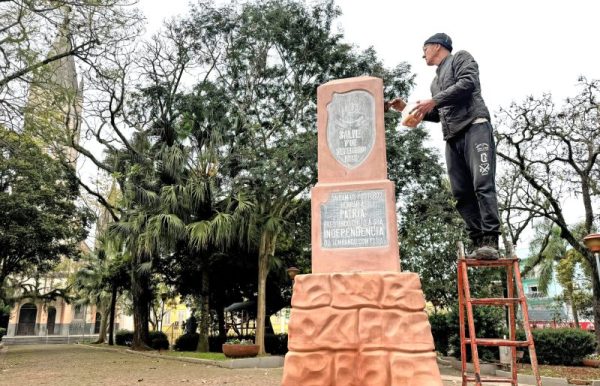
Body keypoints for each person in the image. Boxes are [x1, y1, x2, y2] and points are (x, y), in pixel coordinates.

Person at [386, 33, 501, 259]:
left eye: (425, 49)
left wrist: (435, 100)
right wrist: (406, 108)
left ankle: (491, 240)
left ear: (437, 46)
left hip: (474, 127)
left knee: (482, 184)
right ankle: (478, 242)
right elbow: (438, 114)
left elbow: (468, 84)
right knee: (460, 192)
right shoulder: (435, 82)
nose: (423, 54)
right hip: (452, 137)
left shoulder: (461, 58)